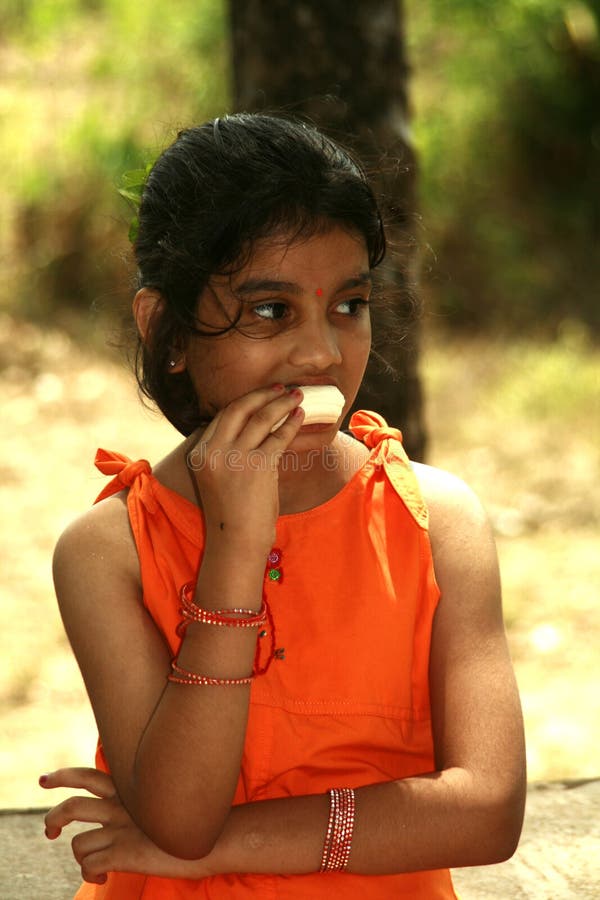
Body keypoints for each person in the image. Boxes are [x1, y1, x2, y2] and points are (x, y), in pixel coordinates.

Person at [40, 113, 526, 898]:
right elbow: (180, 815)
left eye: (349, 304)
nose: (323, 353)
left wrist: (228, 845)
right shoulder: (111, 551)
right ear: (165, 330)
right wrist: (233, 551)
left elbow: (487, 813)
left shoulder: (436, 522)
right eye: (272, 311)